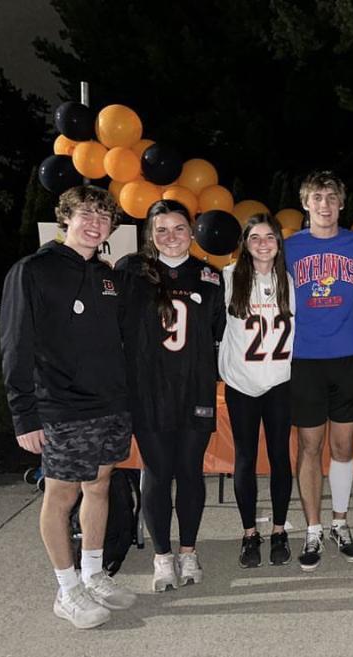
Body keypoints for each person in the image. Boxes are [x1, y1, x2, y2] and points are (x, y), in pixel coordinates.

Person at [0, 185, 136, 629]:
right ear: (66, 219)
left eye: (103, 217)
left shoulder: (106, 276)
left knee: (99, 485)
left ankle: (93, 575)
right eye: (86, 215)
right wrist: (24, 414)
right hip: (61, 407)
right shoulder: (33, 270)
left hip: (110, 404)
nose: (95, 224)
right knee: (61, 496)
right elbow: (15, 344)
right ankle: (67, 589)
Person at [117, 199, 226, 592]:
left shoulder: (210, 276)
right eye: (161, 229)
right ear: (150, 233)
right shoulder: (130, 271)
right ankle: (162, 556)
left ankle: (188, 551)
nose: (171, 236)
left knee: (190, 471)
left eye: (179, 228)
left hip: (193, 387)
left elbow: (219, 333)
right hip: (148, 389)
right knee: (158, 472)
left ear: (192, 231)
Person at [283, 170, 353, 571]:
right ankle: (313, 528)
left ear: (341, 204)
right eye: (317, 198)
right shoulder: (289, 248)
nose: (325, 205)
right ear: (306, 204)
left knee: (343, 447)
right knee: (309, 447)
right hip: (304, 359)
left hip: (349, 357)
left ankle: (340, 522)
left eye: (331, 198)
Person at [218, 214, 295, 568]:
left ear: (279, 243)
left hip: (278, 381)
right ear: (245, 244)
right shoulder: (228, 277)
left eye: (269, 237)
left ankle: (279, 530)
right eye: (255, 238)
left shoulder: (289, 280)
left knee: (280, 457)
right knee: (245, 459)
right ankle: (249, 533)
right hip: (241, 383)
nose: (263, 244)